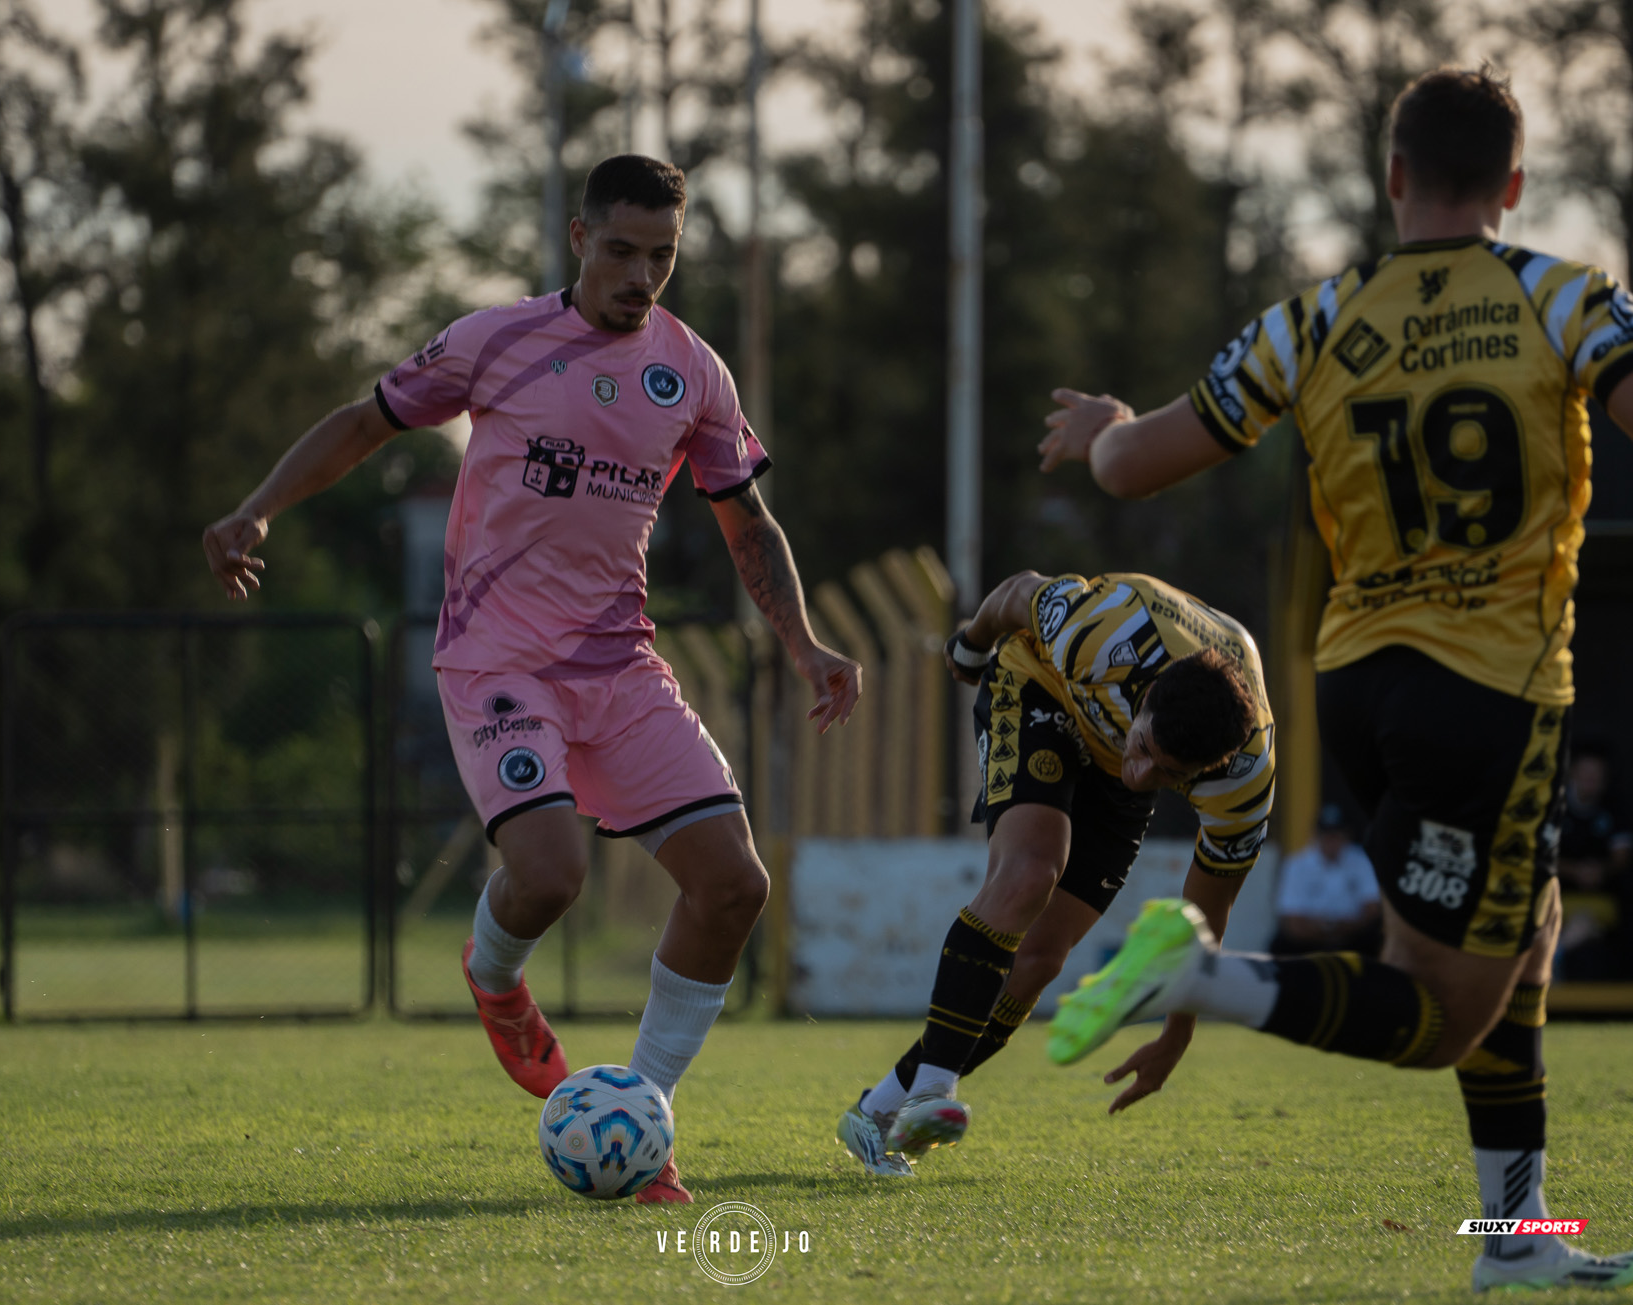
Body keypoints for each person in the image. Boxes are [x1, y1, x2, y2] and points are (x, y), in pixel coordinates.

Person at [1038, 67, 1633, 1291]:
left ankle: (1513, 1240)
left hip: (1358, 685)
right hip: (1495, 689)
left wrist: (1104, 420)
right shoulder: (1564, 302)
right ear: (1515, 186)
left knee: (1528, 933)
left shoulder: (1309, 320)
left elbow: (1130, 468)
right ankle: (1195, 971)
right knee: (1440, 1015)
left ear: (1395, 177)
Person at [203, 154, 860, 1205]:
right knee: (551, 875)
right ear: (578, 238)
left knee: (735, 885)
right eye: (621, 250)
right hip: (497, 661)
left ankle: (638, 1124)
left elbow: (746, 522)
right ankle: (494, 975)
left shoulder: (693, 372)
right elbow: (365, 421)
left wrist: (806, 643)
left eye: (663, 254)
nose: (642, 273)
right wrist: (260, 507)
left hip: (621, 664)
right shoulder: (495, 340)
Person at [835, 568, 1272, 1177]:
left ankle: (876, 1113)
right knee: (1033, 871)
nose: (1142, 777)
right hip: (1040, 689)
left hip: (1107, 736)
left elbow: (1204, 917)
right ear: (1146, 700)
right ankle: (935, 1090)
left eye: (1170, 777)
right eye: (1146, 750)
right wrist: (971, 645)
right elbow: (1020, 590)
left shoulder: (1243, 779)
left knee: (1040, 958)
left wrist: (1177, 1037)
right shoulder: (1105, 633)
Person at [1554, 742, 1630, 980]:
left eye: (1597, 775)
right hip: (1558, 888)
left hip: (1603, 889)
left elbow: (1621, 858)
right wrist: (1574, 871)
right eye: (1586, 773)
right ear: (1572, 772)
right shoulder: (1554, 806)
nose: (1591, 779)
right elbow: (1538, 855)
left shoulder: (1615, 807)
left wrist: (1599, 871)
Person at [1271, 804, 1380, 956]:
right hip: (1309, 940)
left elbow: (1372, 910)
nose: (1331, 841)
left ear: (1347, 835)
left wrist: (1334, 928)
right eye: (1326, 835)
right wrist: (1330, 930)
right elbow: (1292, 922)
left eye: (1336, 835)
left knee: (1376, 940)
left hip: (1353, 937)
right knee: (1280, 945)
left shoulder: (1361, 860)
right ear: (1316, 835)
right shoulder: (1296, 865)